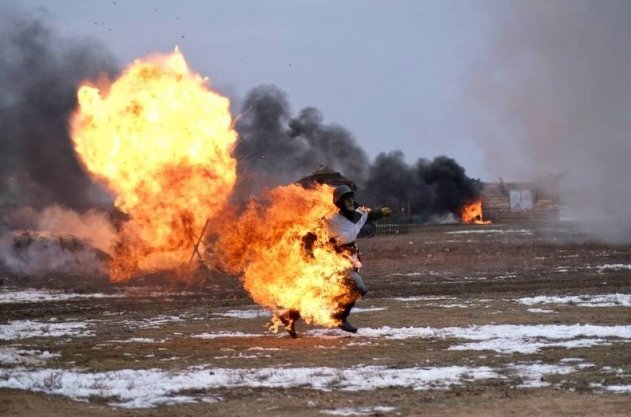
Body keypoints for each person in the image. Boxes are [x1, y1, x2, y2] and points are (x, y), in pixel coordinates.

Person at [277, 184, 391, 337]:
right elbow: (309, 236)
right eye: (345, 199)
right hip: (332, 259)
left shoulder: (359, 213)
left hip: (349, 257)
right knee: (357, 288)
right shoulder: (331, 219)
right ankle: (340, 318)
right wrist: (308, 251)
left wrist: (381, 212)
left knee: (322, 292)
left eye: (350, 198)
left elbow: (369, 215)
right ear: (339, 204)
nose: (349, 202)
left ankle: (289, 316)